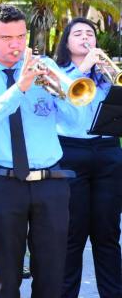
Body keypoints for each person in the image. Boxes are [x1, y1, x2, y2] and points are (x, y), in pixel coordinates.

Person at [0, 4, 79, 297]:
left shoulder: (46, 66)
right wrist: (20, 88)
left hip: (51, 184)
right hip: (3, 184)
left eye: (21, 36)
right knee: (6, 277)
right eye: (6, 38)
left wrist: (61, 94)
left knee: (52, 276)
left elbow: (77, 120)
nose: (17, 45)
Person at [54, 17, 122, 298]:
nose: (86, 38)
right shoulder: (57, 72)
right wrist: (82, 70)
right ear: (66, 42)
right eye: (78, 33)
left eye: (90, 34)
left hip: (107, 152)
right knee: (73, 233)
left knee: (107, 234)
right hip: (71, 152)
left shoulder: (107, 74)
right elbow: (60, 102)